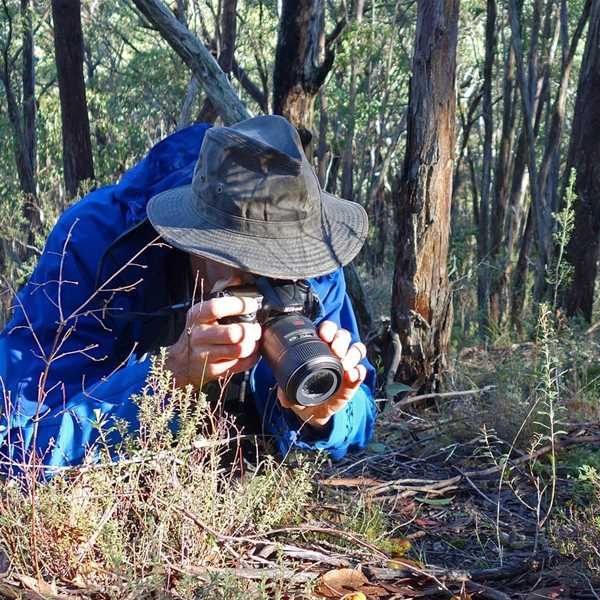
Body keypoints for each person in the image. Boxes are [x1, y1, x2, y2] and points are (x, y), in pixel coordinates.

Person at [0, 115, 376, 475]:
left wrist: (324, 413)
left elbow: (361, 417)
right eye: (242, 260)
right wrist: (166, 377)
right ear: (194, 236)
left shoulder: (315, 261)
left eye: (282, 264)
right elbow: (17, 447)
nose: (266, 282)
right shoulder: (97, 247)